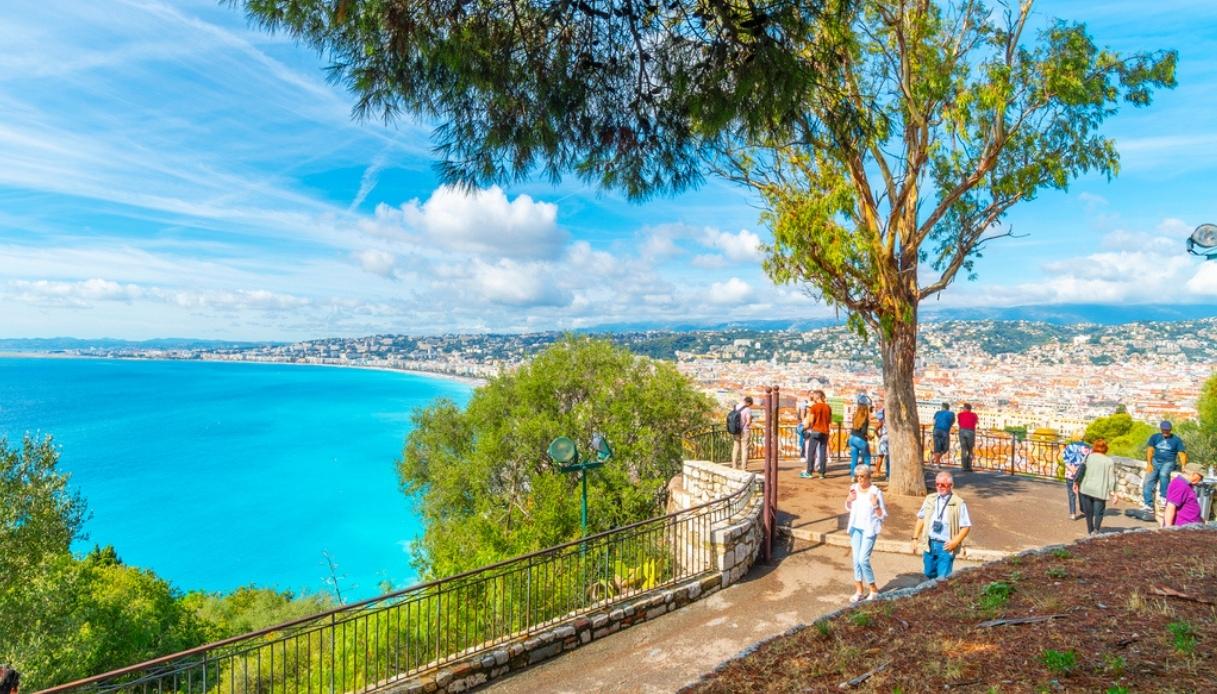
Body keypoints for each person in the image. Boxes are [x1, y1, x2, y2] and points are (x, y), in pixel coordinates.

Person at [912, 471, 972, 580]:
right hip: (929, 543)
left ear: (951, 486)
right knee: (929, 573)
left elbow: (966, 526)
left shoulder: (958, 503)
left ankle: (940, 595)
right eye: (937, 484)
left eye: (943, 484)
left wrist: (955, 542)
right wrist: (915, 537)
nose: (939, 487)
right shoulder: (930, 499)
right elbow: (921, 518)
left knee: (943, 579)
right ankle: (932, 593)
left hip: (946, 545)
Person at [845, 464, 887, 602]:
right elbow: (848, 507)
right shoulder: (853, 489)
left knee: (863, 559)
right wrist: (849, 500)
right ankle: (859, 591)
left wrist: (875, 505)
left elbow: (882, 516)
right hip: (855, 528)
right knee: (856, 560)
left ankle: (873, 589)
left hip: (869, 529)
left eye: (862, 476)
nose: (859, 479)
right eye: (857, 476)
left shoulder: (875, 491)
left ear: (869, 477)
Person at [1072, 438, 1117, 535]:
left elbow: (1081, 471)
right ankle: (1096, 530)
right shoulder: (1109, 461)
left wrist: (1076, 483)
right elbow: (1111, 478)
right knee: (1099, 513)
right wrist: (1113, 493)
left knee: (1089, 513)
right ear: (1106, 449)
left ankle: (1090, 531)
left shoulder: (1088, 457)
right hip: (1100, 491)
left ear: (1094, 447)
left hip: (1086, 488)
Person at [1143, 420, 1187, 513]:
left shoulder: (1176, 440)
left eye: (1167, 430)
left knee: (1163, 474)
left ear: (1170, 430)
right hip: (1155, 461)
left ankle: (1164, 497)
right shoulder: (1155, 437)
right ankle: (1148, 505)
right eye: (1164, 430)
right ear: (1161, 429)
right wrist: (1149, 464)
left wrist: (1183, 465)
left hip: (1169, 462)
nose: (1166, 432)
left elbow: (1181, 453)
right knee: (1148, 481)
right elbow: (1150, 450)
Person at [1162, 463, 1206, 527]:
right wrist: (1168, 528)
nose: (1201, 479)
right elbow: (1170, 507)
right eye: (1201, 476)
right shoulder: (1180, 485)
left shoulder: (1185, 484)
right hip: (1183, 528)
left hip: (1190, 525)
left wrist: (1199, 519)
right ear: (1194, 474)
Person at [800, 390, 831, 479]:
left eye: (814, 396)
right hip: (825, 431)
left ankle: (809, 472)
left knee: (811, 452)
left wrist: (804, 428)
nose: (812, 397)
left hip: (816, 431)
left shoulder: (814, 407)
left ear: (817, 397)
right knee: (822, 452)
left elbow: (811, 421)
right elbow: (829, 421)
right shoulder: (828, 407)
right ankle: (822, 473)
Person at [1061, 437, 1093, 521]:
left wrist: (1072, 469)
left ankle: (1072, 514)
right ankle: (1084, 511)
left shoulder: (1069, 446)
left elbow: (1065, 460)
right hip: (1083, 474)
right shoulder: (1089, 447)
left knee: (1071, 494)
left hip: (1070, 474)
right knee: (1082, 493)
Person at [848, 395, 872, 480]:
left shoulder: (855, 416)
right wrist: (870, 437)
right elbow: (864, 432)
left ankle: (852, 476)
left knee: (854, 459)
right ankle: (866, 476)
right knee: (867, 458)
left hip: (852, 439)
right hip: (860, 440)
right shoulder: (865, 418)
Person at [730, 396, 754, 469]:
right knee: (744, 449)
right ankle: (744, 467)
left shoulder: (735, 407)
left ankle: (734, 466)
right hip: (744, 431)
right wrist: (750, 420)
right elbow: (748, 422)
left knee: (735, 448)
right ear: (749, 403)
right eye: (750, 404)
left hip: (735, 430)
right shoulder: (747, 409)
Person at [932, 402, 955, 467]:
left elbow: (933, 422)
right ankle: (936, 462)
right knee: (945, 448)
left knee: (937, 448)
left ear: (942, 407)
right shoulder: (951, 414)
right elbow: (952, 422)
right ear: (948, 408)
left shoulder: (937, 413)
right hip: (945, 431)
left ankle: (936, 461)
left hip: (936, 430)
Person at [957, 403, 978, 472]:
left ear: (965, 408)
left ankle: (964, 467)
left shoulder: (960, 414)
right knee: (970, 450)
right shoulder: (974, 415)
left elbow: (959, 423)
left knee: (964, 450)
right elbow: (975, 422)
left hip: (962, 431)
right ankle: (969, 467)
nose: (963, 409)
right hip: (970, 432)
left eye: (963, 408)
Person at [873, 406, 889, 478]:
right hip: (889, 439)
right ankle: (888, 474)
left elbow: (875, 429)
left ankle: (877, 471)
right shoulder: (891, 421)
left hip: (883, 438)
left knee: (880, 456)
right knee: (888, 457)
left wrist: (879, 436)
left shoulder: (882, 421)